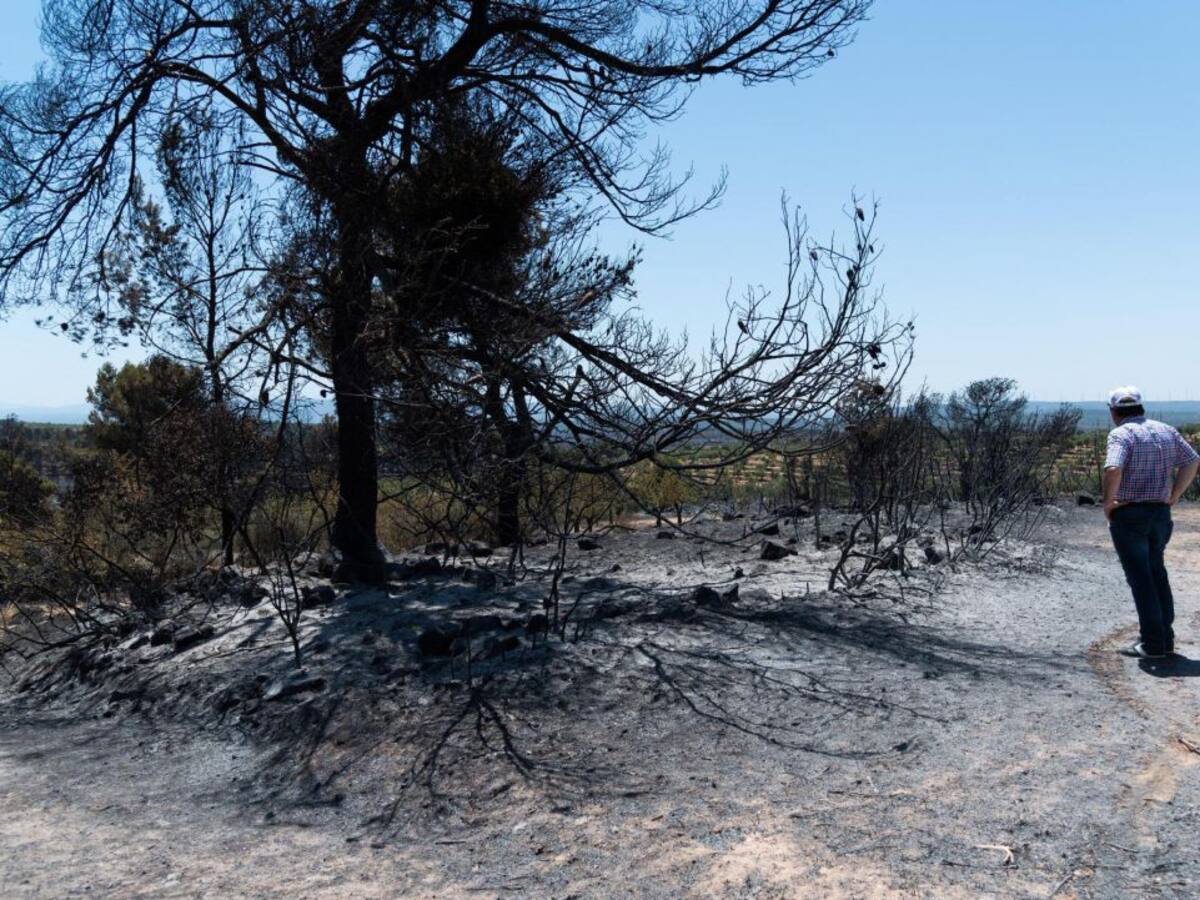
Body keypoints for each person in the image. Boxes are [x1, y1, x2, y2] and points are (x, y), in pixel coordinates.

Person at [1102, 386, 1200, 658]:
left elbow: (1113, 468)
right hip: (1160, 514)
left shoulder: (1121, 434)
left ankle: (1153, 644)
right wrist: (1175, 495)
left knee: (1141, 579)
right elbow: (1192, 461)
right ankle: (1165, 639)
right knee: (1157, 573)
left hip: (1130, 513)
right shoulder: (1166, 430)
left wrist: (1108, 503)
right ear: (1140, 407)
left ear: (1114, 412)